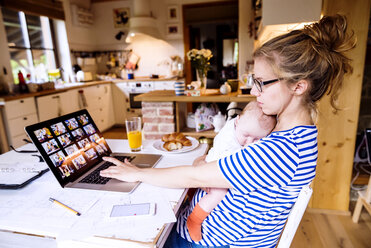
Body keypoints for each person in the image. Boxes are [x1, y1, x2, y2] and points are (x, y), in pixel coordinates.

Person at [100, 14, 355, 247]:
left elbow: (197, 177)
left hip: (206, 241)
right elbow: (222, 169)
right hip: (211, 229)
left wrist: (138, 172)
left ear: (298, 87)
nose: (254, 92)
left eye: (261, 84)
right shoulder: (293, 135)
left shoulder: (282, 150)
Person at [187, 101, 276, 242]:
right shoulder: (229, 138)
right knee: (219, 192)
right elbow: (230, 167)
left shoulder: (242, 126)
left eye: (257, 139)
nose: (248, 143)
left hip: (214, 162)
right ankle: (195, 219)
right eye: (246, 135)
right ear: (238, 121)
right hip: (215, 166)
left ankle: (192, 196)